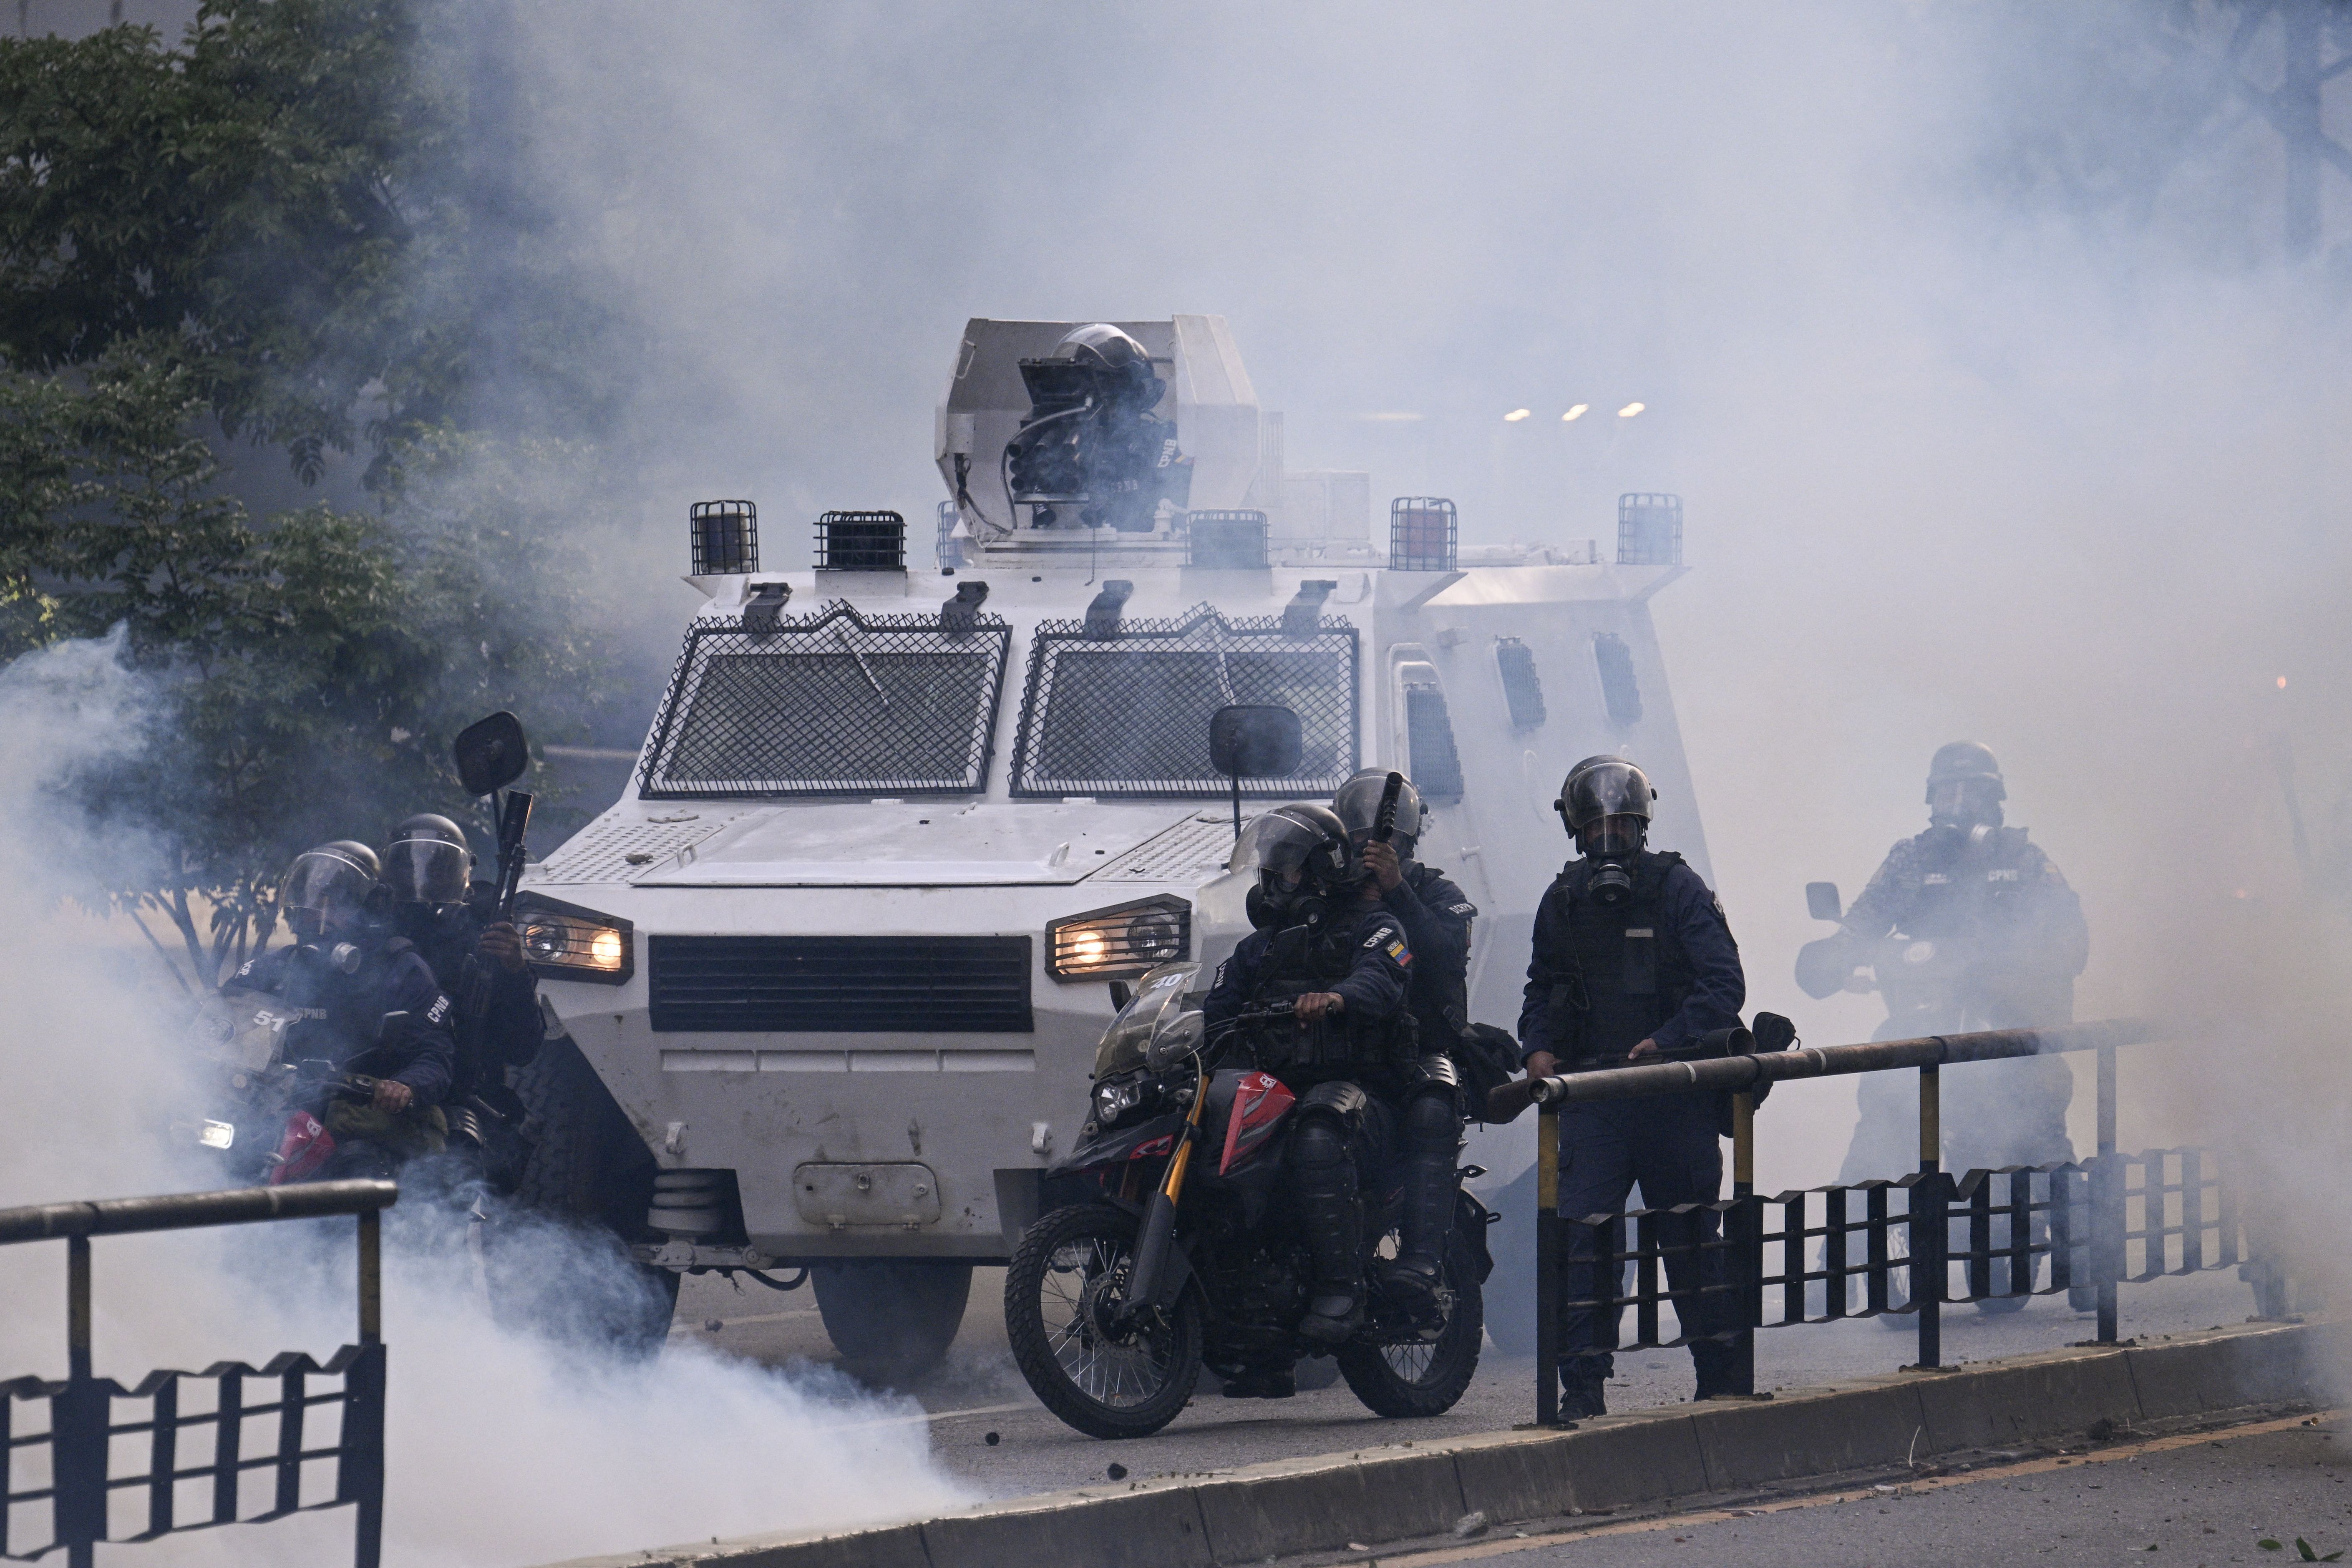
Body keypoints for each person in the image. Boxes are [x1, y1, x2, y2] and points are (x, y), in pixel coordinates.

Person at [1799, 742, 2088, 1307]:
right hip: (1922, 1020)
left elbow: (2069, 931)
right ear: (1931, 799)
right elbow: (1864, 917)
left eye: (1973, 790)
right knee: (1878, 1101)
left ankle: (2082, 1257)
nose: (1960, 804)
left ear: (1995, 797)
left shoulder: (2024, 859)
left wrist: (2025, 957)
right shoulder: (1912, 858)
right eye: (1949, 792)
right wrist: (1836, 951)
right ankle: (1829, 1265)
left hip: (2006, 1029)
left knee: (2041, 1119)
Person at [1517, 755, 1747, 1416]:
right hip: (1594, 1095)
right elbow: (1542, 987)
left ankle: (1720, 1379)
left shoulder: (1678, 887)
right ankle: (1582, 1387)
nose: (1608, 835)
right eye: (1596, 824)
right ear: (1575, 830)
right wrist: (1537, 1047)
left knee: (1691, 1238)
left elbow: (1723, 984)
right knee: (1582, 1238)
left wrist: (1667, 1041)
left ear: (1642, 823)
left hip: (1672, 1092)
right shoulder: (1562, 899)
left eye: (1621, 822)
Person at [1202, 803, 1422, 1396]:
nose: (1272, 884)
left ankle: (1342, 1287)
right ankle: (1257, 1336)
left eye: (1286, 871)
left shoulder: (1376, 926)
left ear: (1322, 872)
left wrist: (1335, 997)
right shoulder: (1260, 949)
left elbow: (1381, 978)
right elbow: (1216, 1009)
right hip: (1276, 1091)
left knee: (1317, 1130)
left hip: (1362, 1094)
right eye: (1267, 872)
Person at [1328, 768, 1478, 1316]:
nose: (1370, 853)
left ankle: (1420, 1256)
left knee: (1432, 1108)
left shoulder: (1441, 892)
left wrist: (1397, 889)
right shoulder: (1334, 897)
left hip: (1416, 1053)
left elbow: (1441, 957)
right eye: (1360, 843)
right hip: (1342, 1052)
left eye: (1384, 843)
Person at [230, 843, 458, 1173]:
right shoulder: (278, 967)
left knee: (360, 1170)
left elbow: (434, 1054)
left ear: (372, 911)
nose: (319, 915)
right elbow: (221, 1016)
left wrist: (404, 1087)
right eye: (311, 903)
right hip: (277, 1109)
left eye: (337, 905)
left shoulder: (401, 969)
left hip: (358, 1115)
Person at [381, 813, 544, 1102]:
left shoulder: (486, 942)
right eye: (411, 866)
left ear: (460, 873)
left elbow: (523, 1049)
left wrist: (514, 970)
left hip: (465, 1096)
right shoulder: (374, 934)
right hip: (379, 1088)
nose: (425, 877)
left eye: (440, 868)